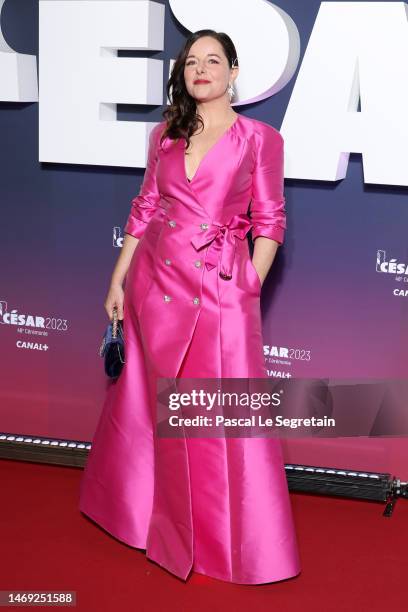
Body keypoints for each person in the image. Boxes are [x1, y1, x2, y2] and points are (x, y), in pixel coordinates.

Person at [79, 29, 301, 585]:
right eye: (191, 61)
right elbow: (147, 205)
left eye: (213, 60)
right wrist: (118, 278)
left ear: (234, 70)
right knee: (145, 405)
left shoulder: (260, 138)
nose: (201, 69)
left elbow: (270, 220)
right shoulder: (164, 135)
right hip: (154, 283)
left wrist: (249, 281)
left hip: (221, 288)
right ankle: (141, 520)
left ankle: (227, 543)